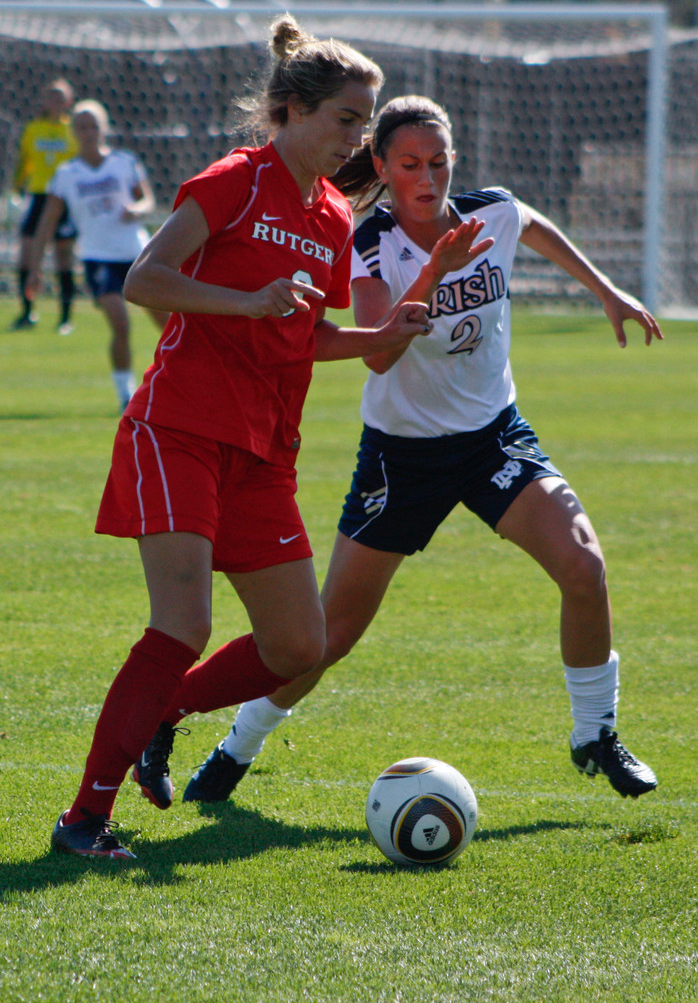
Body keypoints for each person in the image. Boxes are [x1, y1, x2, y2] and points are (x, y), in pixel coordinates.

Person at [137, 94, 662, 811]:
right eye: (410, 163)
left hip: (492, 438)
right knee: (330, 635)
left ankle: (596, 734)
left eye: (440, 162)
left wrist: (606, 290)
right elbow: (378, 354)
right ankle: (236, 746)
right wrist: (437, 271)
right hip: (402, 456)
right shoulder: (371, 240)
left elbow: (534, 226)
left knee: (584, 565)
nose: (428, 176)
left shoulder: (492, 213)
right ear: (381, 166)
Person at [49, 23, 449, 860]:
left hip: (265, 453)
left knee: (301, 644)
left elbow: (304, 336)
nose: (357, 139)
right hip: (182, 430)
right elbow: (145, 277)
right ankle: (85, 819)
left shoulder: (335, 215)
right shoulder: (235, 182)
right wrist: (247, 300)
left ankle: (163, 712)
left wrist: (388, 335)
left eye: (364, 123)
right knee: (181, 624)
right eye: (346, 120)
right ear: (291, 110)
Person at [27, 100, 169, 412]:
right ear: (73, 132)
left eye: (94, 125)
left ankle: (179, 383)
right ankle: (125, 395)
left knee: (170, 324)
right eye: (82, 126)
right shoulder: (67, 174)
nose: (89, 132)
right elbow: (46, 224)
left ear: (104, 128)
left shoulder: (124, 161)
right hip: (97, 258)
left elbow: (147, 200)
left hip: (136, 254)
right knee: (120, 323)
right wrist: (35, 269)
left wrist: (138, 210)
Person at [11, 78, 77, 333]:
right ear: (45, 101)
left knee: (64, 256)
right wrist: (16, 187)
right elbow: (25, 161)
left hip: (65, 200)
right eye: (52, 96)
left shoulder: (73, 129)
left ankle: (65, 318)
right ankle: (27, 312)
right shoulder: (33, 129)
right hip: (39, 195)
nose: (56, 102)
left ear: (69, 102)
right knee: (26, 254)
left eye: (61, 97)